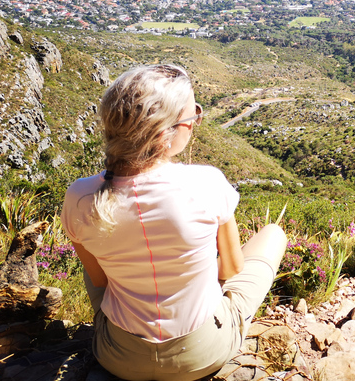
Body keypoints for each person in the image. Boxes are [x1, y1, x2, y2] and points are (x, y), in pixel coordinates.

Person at [61, 64, 287, 381]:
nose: (195, 121)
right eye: (192, 114)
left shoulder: (79, 197)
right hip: (200, 354)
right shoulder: (207, 183)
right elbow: (232, 270)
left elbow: (99, 281)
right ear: (165, 132)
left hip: (119, 357)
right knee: (274, 234)